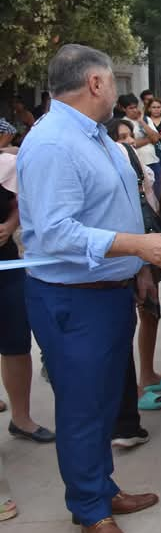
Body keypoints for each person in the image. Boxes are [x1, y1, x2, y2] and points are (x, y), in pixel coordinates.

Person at [18, 44, 161, 533]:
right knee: (83, 406)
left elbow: (116, 210)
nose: (116, 90)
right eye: (112, 81)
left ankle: (102, 488)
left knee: (107, 399)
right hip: (72, 299)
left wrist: (137, 271)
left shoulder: (98, 138)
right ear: (95, 83)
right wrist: (138, 247)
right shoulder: (51, 144)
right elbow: (56, 232)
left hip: (110, 291)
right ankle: (88, 507)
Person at [108, 119, 161, 413]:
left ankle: (149, 373)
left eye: (130, 136)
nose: (128, 141)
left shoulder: (137, 164)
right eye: (121, 137)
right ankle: (133, 390)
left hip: (148, 244)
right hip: (128, 251)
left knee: (150, 312)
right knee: (128, 318)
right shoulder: (114, 169)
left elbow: (150, 203)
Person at [0, 152, 55, 443]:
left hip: (7, 269)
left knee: (16, 342)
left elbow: (15, 204)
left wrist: (10, 225)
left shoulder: (4, 165)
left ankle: (21, 418)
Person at [119, 94, 161, 198]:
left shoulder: (146, 119)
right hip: (139, 164)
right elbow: (132, 143)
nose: (134, 110)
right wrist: (149, 139)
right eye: (131, 108)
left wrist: (141, 121)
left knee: (158, 194)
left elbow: (156, 138)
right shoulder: (123, 123)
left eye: (135, 107)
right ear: (124, 109)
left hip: (154, 161)